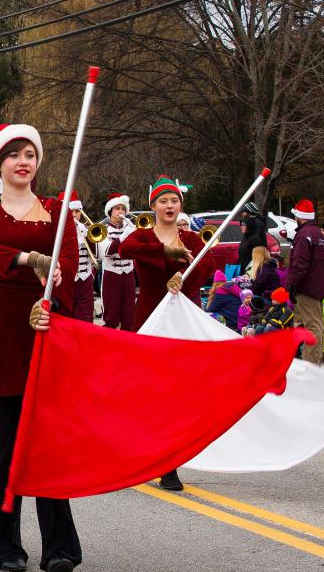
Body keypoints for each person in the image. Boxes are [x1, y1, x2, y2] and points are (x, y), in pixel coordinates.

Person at [0, 124, 82, 572]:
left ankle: (60, 549)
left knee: (49, 441)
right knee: (8, 444)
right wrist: (28, 258)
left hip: (45, 322)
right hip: (4, 332)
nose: (22, 161)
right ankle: (5, 543)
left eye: (29, 153)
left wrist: (49, 292)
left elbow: (68, 261)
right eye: (13, 154)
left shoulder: (57, 209)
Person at [118, 175, 216, 491]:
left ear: (181, 205)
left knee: (178, 397)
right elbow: (124, 248)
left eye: (174, 200)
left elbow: (206, 265)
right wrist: (165, 255)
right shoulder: (143, 236)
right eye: (163, 201)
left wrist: (183, 277)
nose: (169, 205)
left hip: (183, 327)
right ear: (154, 206)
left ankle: (169, 465)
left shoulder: (191, 240)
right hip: (150, 323)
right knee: (149, 394)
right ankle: (142, 454)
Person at [286, 199, 324, 365]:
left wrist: (291, 285)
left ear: (299, 216)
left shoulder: (303, 236)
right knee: (312, 326)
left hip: (307, 289)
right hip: (317, 287)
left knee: (312, 328)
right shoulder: (319, 235)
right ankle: (311, 362)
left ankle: (310, 366)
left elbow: (299, 265)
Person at [97, 192, 136, 330]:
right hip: (111, 275)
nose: (120, 211)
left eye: (123, 208)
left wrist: (136, 235)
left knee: (129, 317)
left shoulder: (130, 229)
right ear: (110, 211)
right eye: (117, 208)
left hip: (128, 274)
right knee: (111, 317)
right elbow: (107, 251)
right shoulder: (102, 230)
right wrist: (125, 235)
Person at [67, 190, 96, 322]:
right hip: (67, 280)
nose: (74, 215)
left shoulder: (86, 230)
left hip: (85, 280)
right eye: (71, 211)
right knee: (67, 319)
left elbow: (97, 254)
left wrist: (87, 234)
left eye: (77, 211)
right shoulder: (58, 230)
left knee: (85, 319)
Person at [238, 202, 268, 272]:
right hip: (246, 264)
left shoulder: (256, 224)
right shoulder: (251, 223)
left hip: (251, 266)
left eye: (243, 212)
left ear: (249, 212)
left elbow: (255, 246)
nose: (242, 214)